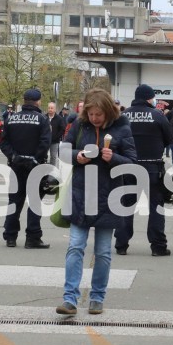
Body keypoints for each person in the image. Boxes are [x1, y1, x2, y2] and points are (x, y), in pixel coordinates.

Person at [56, 89, 137, 316]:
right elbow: (64, 151)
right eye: (91, 114)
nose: (94, 118)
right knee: (75, 246)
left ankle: (97, 297)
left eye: (98, 114)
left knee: (102, 252)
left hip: (108, 197)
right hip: (81, 194)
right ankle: (70, 299)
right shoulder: (80, 126)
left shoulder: (122, 127)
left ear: (108, 111)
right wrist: (77, 156)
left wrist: (114, 159)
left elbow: (132, 161)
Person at [114, 84, 173, 257]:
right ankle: (158, 246)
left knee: (126, 205)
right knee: (156, 206)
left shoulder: (123, 115)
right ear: (149, 98)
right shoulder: (158, 115)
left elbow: (116, 140)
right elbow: (169, 138)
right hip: (152, 167)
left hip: (128, 166)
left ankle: (121, 244)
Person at [0, 88, 51, 249]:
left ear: (24, 100)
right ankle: (33, 237)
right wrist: (34, 159)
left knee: (14, 200)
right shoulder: (42, 119)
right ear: (38, 101)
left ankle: (10, 237)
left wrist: (14, 157)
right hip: (35, 166)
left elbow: (3, 142)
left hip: (16, 165)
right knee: (34, 201)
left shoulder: (12, 119)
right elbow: (45, 142)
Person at [46, 101, 65, 166]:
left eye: (51, 108)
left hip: (54, 141)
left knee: (53, 156)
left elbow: (62, 129)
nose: (50, 109)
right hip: (45, 141)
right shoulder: (44, 117)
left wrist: (57, 137)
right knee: (43, 155)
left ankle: (52, 170)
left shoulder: (59, 118)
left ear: (55, 109)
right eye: (49, 108)